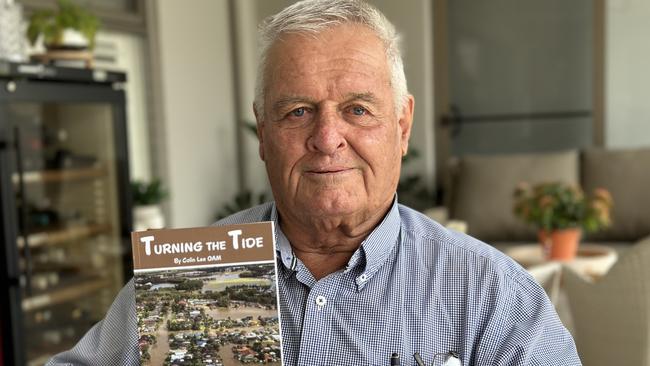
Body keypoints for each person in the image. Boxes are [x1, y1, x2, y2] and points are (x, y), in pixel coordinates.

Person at [48, 0, 581, 365]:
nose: (327, 138)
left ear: (401, 126)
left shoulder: (490, 296)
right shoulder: (199, 275)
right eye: (298, 112)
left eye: (357, 109)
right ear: (263, 133)